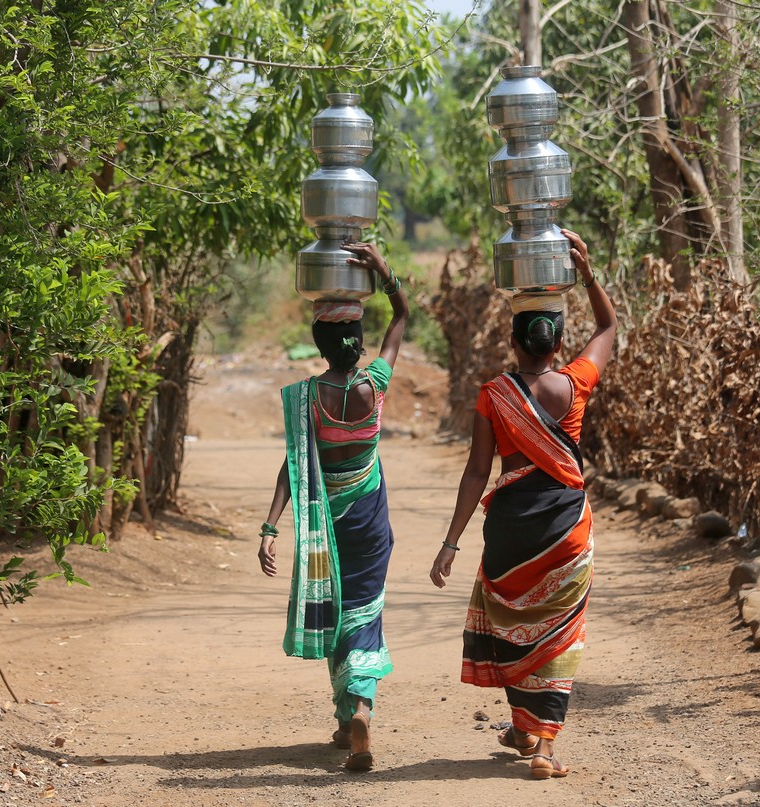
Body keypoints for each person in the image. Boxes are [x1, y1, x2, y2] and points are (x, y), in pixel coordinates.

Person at [429, 229, 617, 780]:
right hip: (566, 530)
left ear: (513, 342)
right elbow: (607, 327)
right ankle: (541, 747)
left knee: (512, 623)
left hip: (510, 530)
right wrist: (585, 272)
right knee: (559, 630)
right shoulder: (575, 385)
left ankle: (522, 723)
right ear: (558, 344)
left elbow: (474, 472)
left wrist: (450, 542)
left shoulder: (493, 394)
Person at [259, 240, 408, 773]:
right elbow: (403, 317)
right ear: (359, 342)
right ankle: (360, 706)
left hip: (324, 523)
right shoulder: (376, 387)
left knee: (335, 609)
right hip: (368, 516)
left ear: (319, 344)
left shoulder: (308, 399)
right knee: (365, 611)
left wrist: (269, 527)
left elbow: (293, 466)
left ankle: (349, 719)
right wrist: (383, 272)